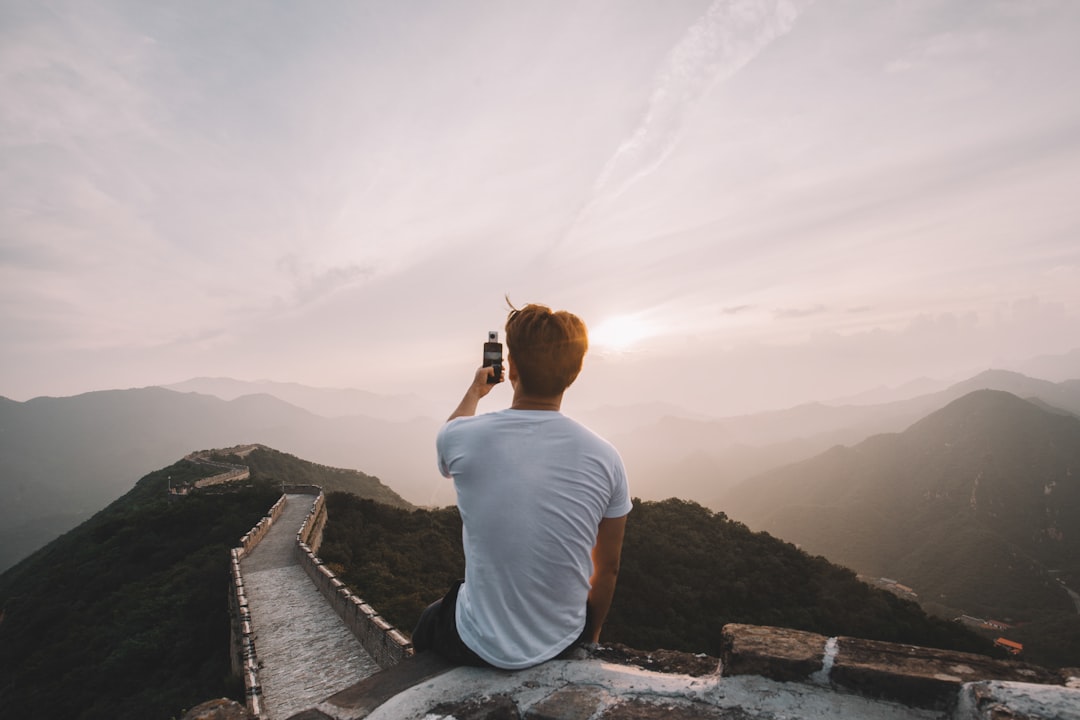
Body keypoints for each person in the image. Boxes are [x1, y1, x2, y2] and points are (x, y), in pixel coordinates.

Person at [411, 303, 631, 670]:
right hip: (563, 639)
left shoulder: (461, 437)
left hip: (476, 642)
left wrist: (475, 392)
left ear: (511, 366)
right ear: (574, 374)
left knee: (427, 625)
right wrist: (589, 639)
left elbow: (448, 441)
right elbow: (607, 568)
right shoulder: (606, 457)